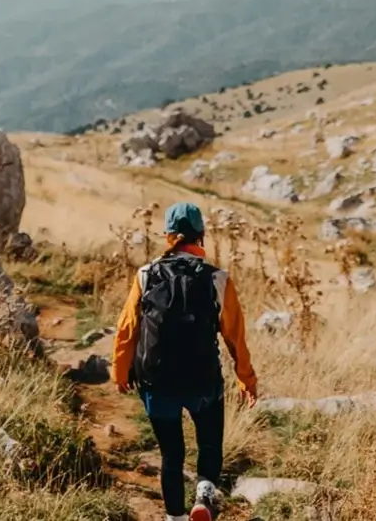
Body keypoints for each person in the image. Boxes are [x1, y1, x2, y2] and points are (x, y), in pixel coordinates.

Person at [112, 202, 258, 521]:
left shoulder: (146, 275)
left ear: (169, 237)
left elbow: (127, 328)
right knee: (209, 445)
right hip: (203, 382)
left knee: (171, 455)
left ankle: (175, 517)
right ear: (201, 236)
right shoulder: (218, 279)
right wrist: (246, 379)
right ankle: (204, 493)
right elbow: (235, 337)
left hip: (156, 383)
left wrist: (120, 370)